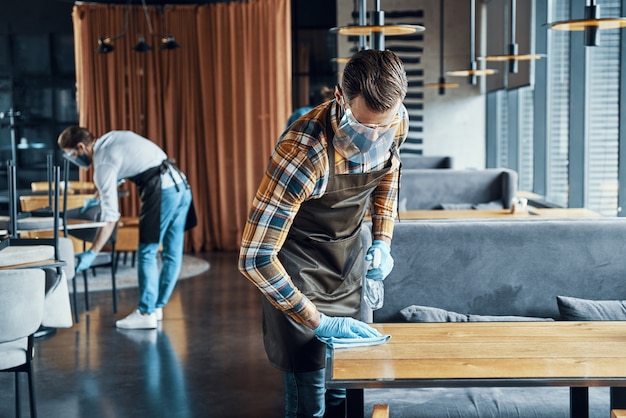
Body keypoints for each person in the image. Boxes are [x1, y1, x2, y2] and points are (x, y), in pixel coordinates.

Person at [238, 49, 409, 418]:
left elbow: (389, 173)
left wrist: (382, 238)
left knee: (346, 391)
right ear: (338, 98)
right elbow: (254, 257)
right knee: (310, 399)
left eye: (385, 124)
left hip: (347, 264)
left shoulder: (396, 120)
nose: (376, 136)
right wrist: (318, 320)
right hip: (298, 269)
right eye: (365, 126)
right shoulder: (303, 152)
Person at [58, 127, 195, 330]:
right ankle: (156, 307)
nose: (72, 158)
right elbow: (124, 166)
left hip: (162, 191)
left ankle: (146, 312)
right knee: (172, 253)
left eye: (71, 154)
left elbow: (111, 218)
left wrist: (92, 253)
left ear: (80, 146)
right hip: (180, 186)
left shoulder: (102, 163)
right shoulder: (110, 139)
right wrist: (96, 198)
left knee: (147, 252)